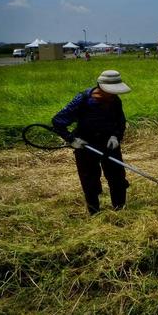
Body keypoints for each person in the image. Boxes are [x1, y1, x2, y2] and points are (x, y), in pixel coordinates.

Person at [52, 70, 132, 215]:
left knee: (117, 177)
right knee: (89, 179)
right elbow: (58, 121)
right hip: (86, 145)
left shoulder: (115, 100)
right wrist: (71, 139)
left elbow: (120, 121)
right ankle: (95, 213)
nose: (113, 95)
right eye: (111, 92)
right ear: (101, 87)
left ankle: (120, 210)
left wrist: (116, 136)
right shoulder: (82, 100)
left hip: (109, 143)